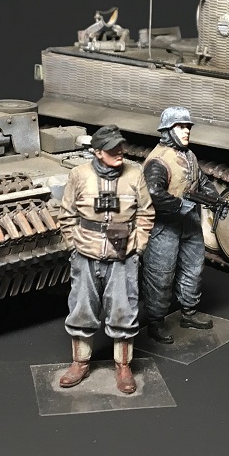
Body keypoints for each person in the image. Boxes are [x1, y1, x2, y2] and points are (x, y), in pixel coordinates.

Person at [58, 125, 154, 395]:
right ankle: (80, 362)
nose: (119, 152)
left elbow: (146, 213)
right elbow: (66, 214)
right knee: (81, 308)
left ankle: (123, 366)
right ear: (98, 152)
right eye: (112, 148)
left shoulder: (134, 174)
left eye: (120, 146)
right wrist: (74, 246)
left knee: (124, 310)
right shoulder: (79, 175)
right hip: (86, 253)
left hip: (123, 255)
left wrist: (138, 246)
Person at [140, 106, 223, 343]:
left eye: (187, 126)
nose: (186, 131)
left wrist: (215, 199)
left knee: (193, 267)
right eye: (180, 126)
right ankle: (156, 321)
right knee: (160, 274)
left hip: (190, 223)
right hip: (164, 226)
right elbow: (154, 193)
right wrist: (179, 205)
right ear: (167, 130)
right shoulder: (158, 160)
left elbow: (201, 180)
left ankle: (189, 312)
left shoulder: (189, 156)